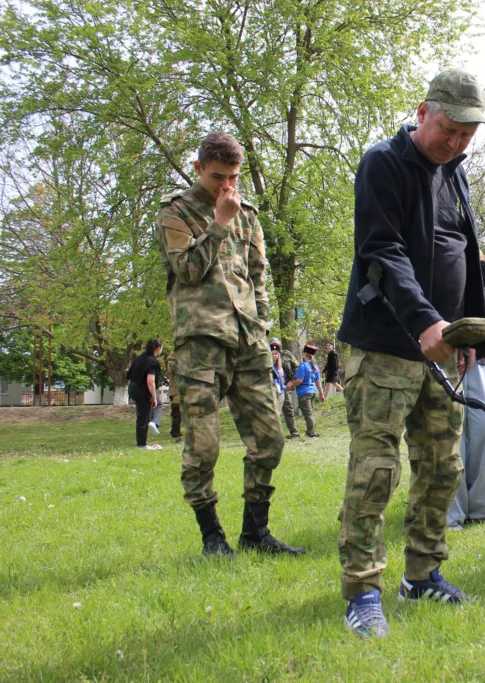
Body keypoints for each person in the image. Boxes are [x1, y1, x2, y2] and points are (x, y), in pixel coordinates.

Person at [335, 68, 485, 638]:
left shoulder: (455, 174)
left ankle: (422, 575)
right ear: (422, 111)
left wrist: (468, 335)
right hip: (386, 348)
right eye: (449, 129)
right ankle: (362, 590)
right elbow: (381, 250)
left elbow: (466, 251)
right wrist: (424, 319)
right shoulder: (384, 163)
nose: (455, 142)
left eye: (467, 135)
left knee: (441, 467)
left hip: (444, 352)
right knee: (376, 470)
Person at [154, 131, 303, 558]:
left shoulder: (248, 213)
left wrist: (262, 327)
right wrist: (218, 223)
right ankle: (212, 538)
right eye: (218, 176)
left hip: (248, 340)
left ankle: (256, 533)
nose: (226, 186)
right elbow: (186, 270)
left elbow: (258, 277)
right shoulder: (175, 212)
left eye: (233, 177)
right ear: (199, 168)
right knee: (203, 446)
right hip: (201, 341)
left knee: (270, 439)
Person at [447, 261, 485, 529]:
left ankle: (483, 508)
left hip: (476, 356)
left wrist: (465, 338)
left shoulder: (482, 268)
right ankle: (451, 513)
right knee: (449, 433)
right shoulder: (439, 261)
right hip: (443, 354)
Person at [128, 338, 164, 451]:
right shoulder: (152, 362)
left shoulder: (140, 358)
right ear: (158, 349)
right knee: (145, 415)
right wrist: (153, 396)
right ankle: (142, 444)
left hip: (133, 387)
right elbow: (150, 381)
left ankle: (152, 423)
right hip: (143, 389)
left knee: (146, 412)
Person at [286, 343, 326, 437]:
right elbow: (318, 382)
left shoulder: (303, 366)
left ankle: (311, 433)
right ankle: (311, 431)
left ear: (304, 354)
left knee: (308, 414)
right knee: (311, 412)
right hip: (312, 392)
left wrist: (292, 385)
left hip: (304, 393)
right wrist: (321, 394)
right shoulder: (315, 367)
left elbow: (299, 380)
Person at [270, 338, 301, 439]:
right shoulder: (265, 356)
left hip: (284, 386)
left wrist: (292, 381)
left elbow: (297, 367)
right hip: (271, 388)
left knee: (288, 410)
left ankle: (294, 432)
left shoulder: (287, 354)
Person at [166, 351, 183, 443]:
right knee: (177, 412)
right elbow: (172, 370)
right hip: (176, 389)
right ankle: (176, 433)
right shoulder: (172, 356)